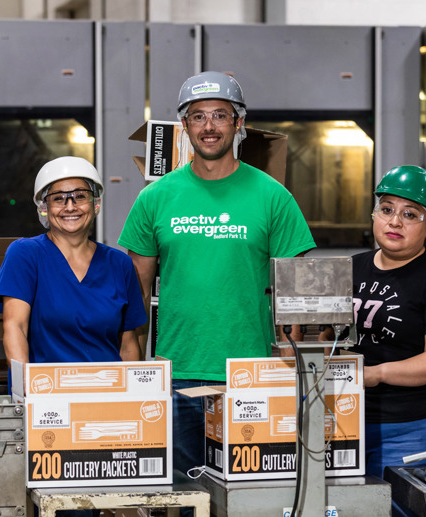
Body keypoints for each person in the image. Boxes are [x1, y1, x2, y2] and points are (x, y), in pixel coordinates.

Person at [118, 71, 316, 474]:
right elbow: (134, 294)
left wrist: (283, 371)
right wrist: (135, 369)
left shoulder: (273, 196)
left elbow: (296, 296)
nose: (209, 126)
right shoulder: (154, 198)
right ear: (185, 126)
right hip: (179, 375)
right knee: (187, 494)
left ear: (239, 123)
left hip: (252, 372)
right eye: (198, 116)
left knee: (251, 493)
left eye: (220, 115)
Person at [350, 165, 426, 484]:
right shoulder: (349, 268)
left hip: (409, 428)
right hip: (344, 420)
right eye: (387, 209)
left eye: (410, 214)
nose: (394, 221)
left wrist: (376, 374)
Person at [0, 156, 145, 366]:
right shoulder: (25, 254)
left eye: (80, 196)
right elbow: (15, 327)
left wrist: (133, 393)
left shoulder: (120, 264)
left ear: (95, 204)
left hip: (107, 391)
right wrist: (27, 387)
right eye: (58, 198)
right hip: (46, 391)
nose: (70, 206)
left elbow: (128, 346)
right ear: (44, 207)